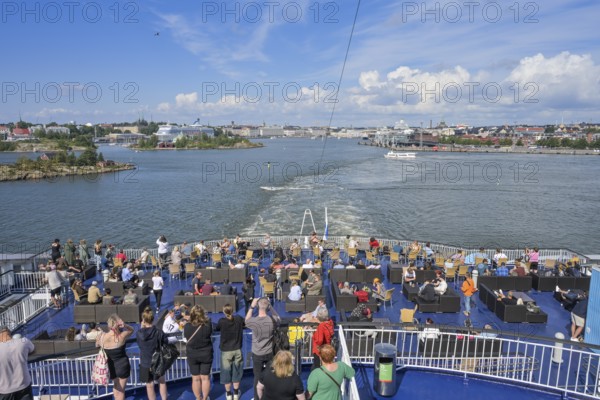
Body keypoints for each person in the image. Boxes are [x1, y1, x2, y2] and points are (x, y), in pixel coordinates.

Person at [245, 297, 280, 400]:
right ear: (268, 307)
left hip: (257, 353)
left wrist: (252, 306)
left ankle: (257, 397)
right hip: (269, 352)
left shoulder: (254, 321)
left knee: (257, 376)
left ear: (258, 306)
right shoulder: (272, 320)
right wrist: (271, 307)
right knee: (271, 374)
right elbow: (278, 318)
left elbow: (246, 320)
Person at [137, 307, 171, 400]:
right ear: (153, 319)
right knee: (162, 381)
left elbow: (140, 344)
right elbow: (166, 342)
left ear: (143, 320)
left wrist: (141, 328)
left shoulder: (139, 333)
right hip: (157, 361)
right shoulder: (158, 332)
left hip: (145, 362)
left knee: (149, 385)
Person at [97, 314, 134, 400]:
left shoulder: (102, 337)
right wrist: (124, 325)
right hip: (122, 365)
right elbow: (132, 330)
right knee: (121, 390)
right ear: (117, 324)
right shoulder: (122, 336)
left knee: (116, 386)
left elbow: (97, 345)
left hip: (111, 366)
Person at [215, 304, 245, 400]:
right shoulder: (239, 319)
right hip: (237, 350)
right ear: (232, 310)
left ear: (224, 312)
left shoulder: (222, 322)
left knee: (226, 373)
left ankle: (228, 394)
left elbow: (217, 328)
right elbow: (245, 323)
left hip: (226, 351)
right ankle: (236, 393)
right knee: (237, 371)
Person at [184, 305, 213, 400]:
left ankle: (198, 398)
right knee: (205, 378)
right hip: (206, 353)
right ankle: (205, 398)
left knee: (195, 379)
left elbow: (186, 337)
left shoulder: (187, 326)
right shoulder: (208, 325)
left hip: (192, 354)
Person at [0, 325, 34, 400]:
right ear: (9, 333)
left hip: (4, 391)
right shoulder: (24, 341)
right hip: (23, 387)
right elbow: (32, 349)